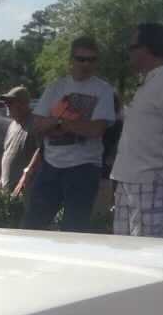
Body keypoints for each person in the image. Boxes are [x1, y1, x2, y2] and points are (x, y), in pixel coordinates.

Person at [20, 36, 119, 231]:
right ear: (71, 60)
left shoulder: (103, 90)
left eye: (92, 60)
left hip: (84, 168)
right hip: (51, 165)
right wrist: (62, 122)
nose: (86, 64)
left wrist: (60, 122)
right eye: (81, 59)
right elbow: (37, 124)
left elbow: (96, 129)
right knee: (31, 225)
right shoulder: (56, 87)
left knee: (74, 230)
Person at [110, 22, 163, 237]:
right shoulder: (149, 83)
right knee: (123, 249)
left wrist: (162, 166)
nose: (129, 53)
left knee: (147, 250)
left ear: (147, 49)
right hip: (128, 178)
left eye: (132, 47)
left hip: (150, 179)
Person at [0, 87, 38, 192]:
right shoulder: (12, 125)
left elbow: (41, 153)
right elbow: (6, 154)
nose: (6, 105)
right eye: (6, 102)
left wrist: (25, 178)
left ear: (23, 104)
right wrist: (0, 185)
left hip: (24, 189)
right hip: (7, 190)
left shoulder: (35, 123)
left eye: (10, 102)